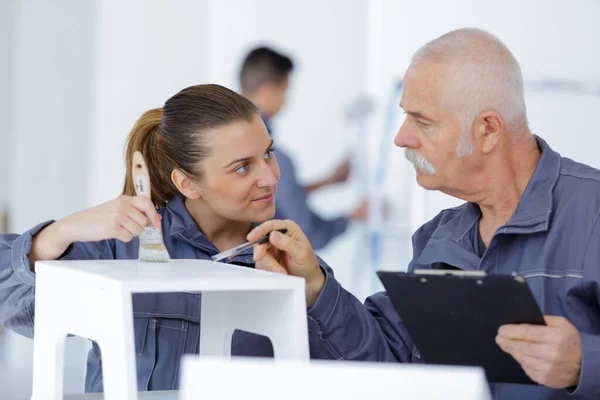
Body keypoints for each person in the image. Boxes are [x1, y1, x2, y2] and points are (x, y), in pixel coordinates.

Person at [246, 29, 600, 399]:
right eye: (405, 116)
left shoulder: (592, 211)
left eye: (423, 121)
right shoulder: (438, 238)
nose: (401, 137)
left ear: (488, 130)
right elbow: (386, 361)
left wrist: (585, 363)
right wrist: (315, 288)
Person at [0, 84, 340, 392]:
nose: (270, 178)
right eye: (242, 167)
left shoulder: (294, 263)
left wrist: (315, 293)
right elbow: (13, 302)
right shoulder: (122, 246)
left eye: (268, 153)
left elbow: (349, 373)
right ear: (187, 183)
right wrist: (59, 233)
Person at [239, 46, 367, 250]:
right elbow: (308, 234)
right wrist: (352, 216)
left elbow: (272, 195)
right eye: (285, 91)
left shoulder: (226, 149)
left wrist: (327, 181)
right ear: (268, 90)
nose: (287, 100)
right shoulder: (274, 159)